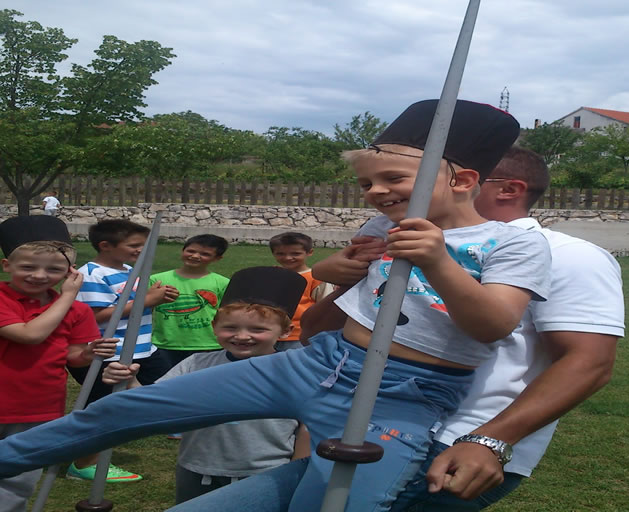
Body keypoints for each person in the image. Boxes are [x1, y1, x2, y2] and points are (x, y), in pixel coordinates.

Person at [0, 99, 550, 512]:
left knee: (337, 502)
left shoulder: (514, 244)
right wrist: (337, 270)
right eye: (366, 182)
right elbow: (334, 291)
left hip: (404, 395)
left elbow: (492, 326)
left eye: (393, 179)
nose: (375, 192)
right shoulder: (383, 226)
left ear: (465, 180)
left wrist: (438, 261)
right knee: (128, 409)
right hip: (318, 361)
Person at [169, 146, 624, 512]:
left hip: (452, 444)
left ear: (503, 188)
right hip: (355, 422)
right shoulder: (399, 238)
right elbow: (314, 332)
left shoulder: (569, 255)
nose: (392, 192)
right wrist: (348, 277)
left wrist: (491, 440)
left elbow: (589, 363)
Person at [102, 267, 311, 505]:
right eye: (230, 327)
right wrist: (128, 381)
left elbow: (307, 426)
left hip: (266, 472)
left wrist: (298, 471)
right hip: (197, 468)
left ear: (285, 331)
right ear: (214, 326)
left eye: (258, 329)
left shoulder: (294, 372)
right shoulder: (196, 365)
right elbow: (155, 406)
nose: (242, 336)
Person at [0, 216, 117, 512]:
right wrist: (67, 296)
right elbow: (29, 335)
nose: (40, 276)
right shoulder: (3, 299)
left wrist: (89, 353)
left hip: (38, 406)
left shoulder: (78, 311)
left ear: (69, 271)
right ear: (7, 266)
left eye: (54, 269)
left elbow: (72, 355)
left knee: (18, 480)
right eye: (28, 267)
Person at [66, 219, 178, 483]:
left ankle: (171, 424)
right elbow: (95, 316)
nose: (142, 250)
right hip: (108, 354)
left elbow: (132, 305)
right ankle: (84, 463)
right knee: (104, 408)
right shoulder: (92, 275)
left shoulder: (130, 269)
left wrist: (156, 297)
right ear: (106, 245)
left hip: (142, 349)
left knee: (170, 389)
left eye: (144, 245)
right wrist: (147, 300)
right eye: (134, 245)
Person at [149, 234, 230, 369]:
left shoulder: (222, 282)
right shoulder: (157, 280)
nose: (195, 256)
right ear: (182, 250)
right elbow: (146, 309)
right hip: (165, 343)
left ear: (217, 258)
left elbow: (227, 314)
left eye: (205, 254)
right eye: (191, 251)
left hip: (207, 344)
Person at [268, 231, 335, 351]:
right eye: (281, 254)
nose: (288, 258)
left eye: (295, 253)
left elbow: (327, 308)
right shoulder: (271, 274)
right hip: (269, 333)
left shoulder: (316, 278)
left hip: (299, 335)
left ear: (309, 252)